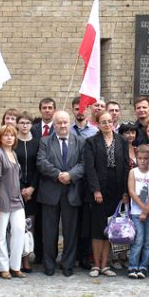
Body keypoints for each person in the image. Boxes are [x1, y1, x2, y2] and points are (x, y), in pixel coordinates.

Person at [37, 110, 86, 277]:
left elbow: (83, 163)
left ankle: (68, 264)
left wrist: (70, 175)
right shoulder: (45, 142)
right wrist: (58, 174)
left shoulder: (80, 141)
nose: (63, 125)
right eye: (59, 123)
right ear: (54, 124)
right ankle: (49, 264)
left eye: (65, 122)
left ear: (69, 122)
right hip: (51, 191)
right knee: (49, 232)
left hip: (72, 192)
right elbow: (41, 162)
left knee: (70, 231)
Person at [84, 111, 129, 278]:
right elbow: (90, 167)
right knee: (98, 229)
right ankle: (96, 265)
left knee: (111, 228)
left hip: (115, 189)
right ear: (97, 124)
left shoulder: (122, 141)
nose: (107, 124)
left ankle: (105, 265)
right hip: (99, 189)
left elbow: (125, 166)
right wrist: (96, 189)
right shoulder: (91, 142)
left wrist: (125, 192)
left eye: (109, 121)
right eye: (103, 122)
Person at [0, 125, 26, 279]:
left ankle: (15, 266)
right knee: (0, 234)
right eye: (6, 135)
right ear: (0, 137)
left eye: (12, 135)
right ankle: (3, 267)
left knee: (19, 231)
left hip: (17, 199)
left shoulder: (13, 153)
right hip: (3, 199)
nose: (9, 138)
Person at [14, 112, 40, 272]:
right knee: (16, 225)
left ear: (31, 125)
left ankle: (26, 258)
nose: (24, 125)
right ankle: (16, 257)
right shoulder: (13, 142)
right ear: (17, 124)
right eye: (22, 122)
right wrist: (19, 188)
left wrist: (32, 188)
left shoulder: (37, 143)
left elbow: (39, 168)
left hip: (32, 189)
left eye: (27, 123)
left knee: (29, 226)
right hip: (15, 189)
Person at [127, 145, 149, 279]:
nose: (143, 161)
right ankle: (133, 266)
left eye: (146, 158)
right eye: (140, 158)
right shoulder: (133, 172)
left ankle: (143, 266)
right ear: (136, 159)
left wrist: (148, 208)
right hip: (137, 212)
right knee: (138, 240)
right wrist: (142, 208)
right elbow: (131, 191)